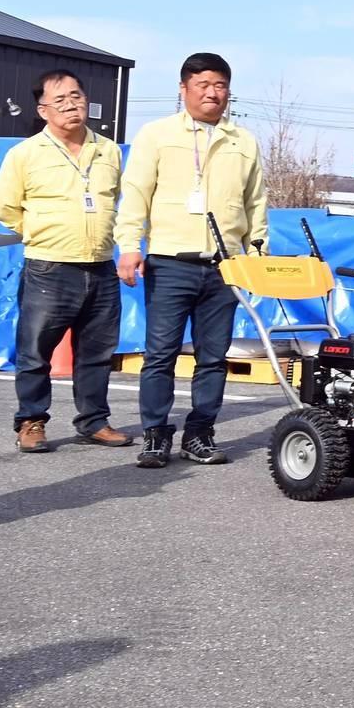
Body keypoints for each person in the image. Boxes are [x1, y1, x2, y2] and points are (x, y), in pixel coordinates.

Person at [115, 53, 267, 469]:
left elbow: (256, 203)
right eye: (202, 85)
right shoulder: (157, 134)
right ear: (183, 89)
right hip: (170, 262)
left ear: (229, 92)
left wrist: (255, 254)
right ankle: (156, 435)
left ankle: (200, 434)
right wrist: (130, 245)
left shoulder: (243, 141)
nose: (212, 93)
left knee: (213, 356)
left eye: (219, 85)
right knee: (160, 353)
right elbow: (136, 194)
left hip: (224, 266)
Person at [0, 70, 131, 452]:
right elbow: (8, 209)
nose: (71, 105)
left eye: (77, 96)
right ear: (42, 110)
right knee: (36, 351)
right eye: (61, 100)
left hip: (101, 266)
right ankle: (31, 421)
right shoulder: (24, 154)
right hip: (49, 268)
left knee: (97, 352)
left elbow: (116, 199)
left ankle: (94, 421)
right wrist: (42, 233)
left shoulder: (108, 150)